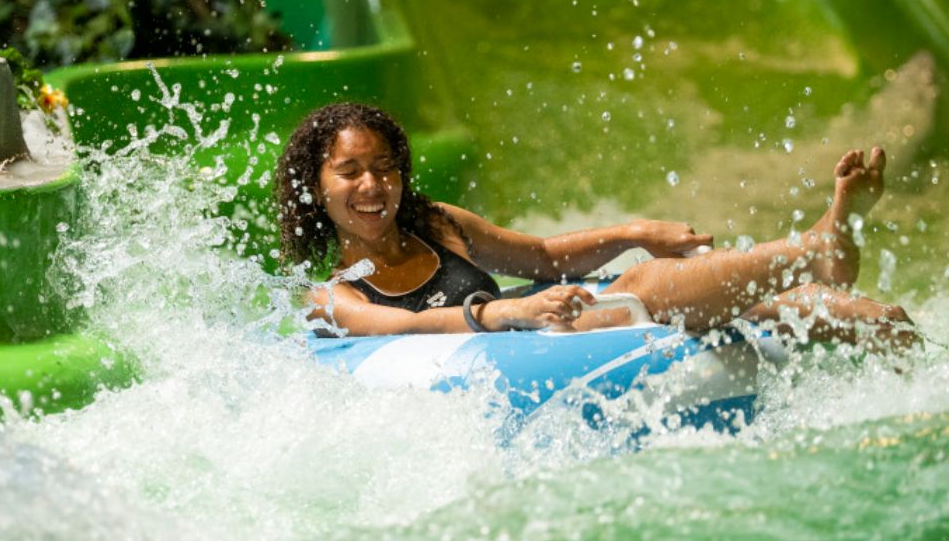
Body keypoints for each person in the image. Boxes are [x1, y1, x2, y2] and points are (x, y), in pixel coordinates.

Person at [275, 102, 913, 347]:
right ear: (315, 188)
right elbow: (408, 326)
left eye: (385, 167)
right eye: (350, 172)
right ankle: (814, 247)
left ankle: (846, 299)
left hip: (537, 319)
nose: (372, 185)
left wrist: (634, 232)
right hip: (500, 348)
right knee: (642, 287)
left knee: (841, 313)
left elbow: (544, 256)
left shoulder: (437, 223)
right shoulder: (330, 295)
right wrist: (503, 312)